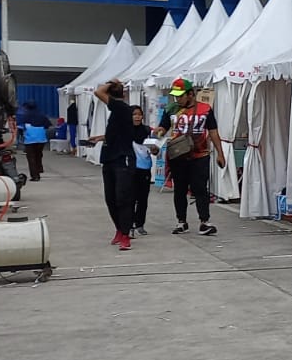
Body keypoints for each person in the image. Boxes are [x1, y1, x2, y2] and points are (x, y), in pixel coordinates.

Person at [157, 78, 225, 235]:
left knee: (200, 188)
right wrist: (158, 134)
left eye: (180, 96)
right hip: (178, 155)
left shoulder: (205, 109)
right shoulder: (171, 109)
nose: (177, 99)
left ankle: (204, 222)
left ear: (190, 94)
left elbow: (213, 132)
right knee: (179, 190)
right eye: (175, 96)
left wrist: (220, 153)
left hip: (200, 155)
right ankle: (181, 221)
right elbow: (163, 128)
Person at [93, 79, 137, 250]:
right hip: (109, 158)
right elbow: (117, 133)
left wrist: (112, 82)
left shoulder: (121, 107)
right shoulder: (117, 112)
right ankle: (119, 229)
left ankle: (125, 233)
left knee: (122, 197)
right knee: (110, 198)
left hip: (122, 159)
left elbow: (98, 92)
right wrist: (101, 138)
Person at [130, 106, 157, 236]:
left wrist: (155, 150)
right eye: (134, 114)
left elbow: (155, 150)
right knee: (130, 198)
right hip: (130, 168)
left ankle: (140, 224)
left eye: (139, 114)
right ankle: (129, 224)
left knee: (142, 199)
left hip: (145, 168)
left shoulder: (147, 131)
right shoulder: (125, 130)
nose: (137, 117)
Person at [20, 103, 51, 181]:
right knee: (38, 154)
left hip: (30, 140)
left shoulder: (24, 117)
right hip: (41, 139)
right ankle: (39, 168)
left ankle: (35, 176)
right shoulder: (42, 115)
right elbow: (48, 125)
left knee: (31, 158)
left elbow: (20, 127)